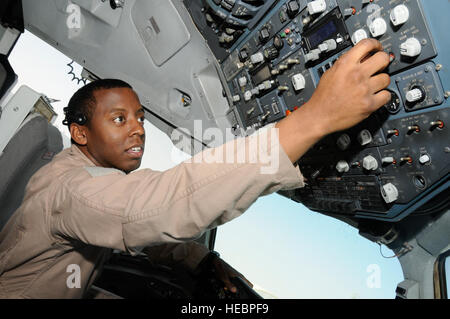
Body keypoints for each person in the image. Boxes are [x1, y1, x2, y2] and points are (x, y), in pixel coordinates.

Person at [0, 39, 390, 298]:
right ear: (79, 133)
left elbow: (137, 232)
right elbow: (167, 203)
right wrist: (314, 119)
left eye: (138, 117)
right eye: (119, 119)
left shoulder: (81, 182)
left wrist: (199, 259)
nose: (137, 128)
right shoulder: (73, 190)